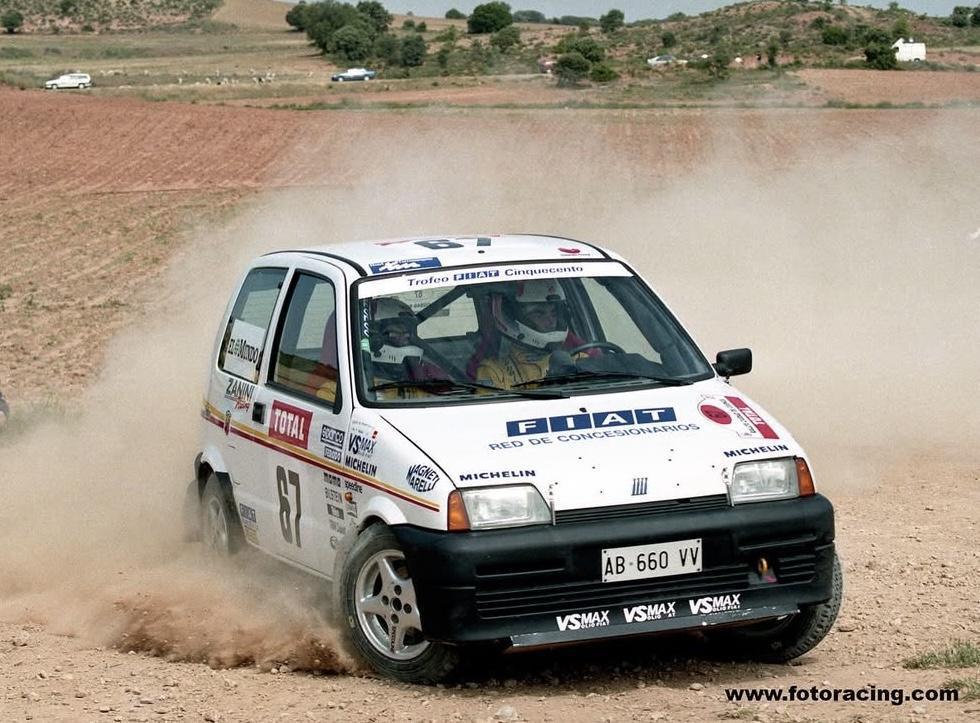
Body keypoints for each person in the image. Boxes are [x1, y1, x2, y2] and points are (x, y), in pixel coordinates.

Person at [476, 279, 583, 389]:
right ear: (512, 318)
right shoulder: (494, 372)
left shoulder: (579, 360)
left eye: (554, 313)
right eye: (539, 313)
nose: (551, 321)